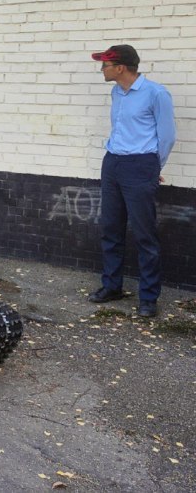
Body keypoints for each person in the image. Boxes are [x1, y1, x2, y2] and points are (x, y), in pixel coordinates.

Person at [87, 45, 176, 318]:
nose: (102, 69)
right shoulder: (117, 92)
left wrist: (152, 167)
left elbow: (168, 135)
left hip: (141, 165)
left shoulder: (156, 93)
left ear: (121, 67)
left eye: (105, 65)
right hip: (113, 162)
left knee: (144, 234)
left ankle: (148, 297)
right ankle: (112, 286)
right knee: (111, 229)